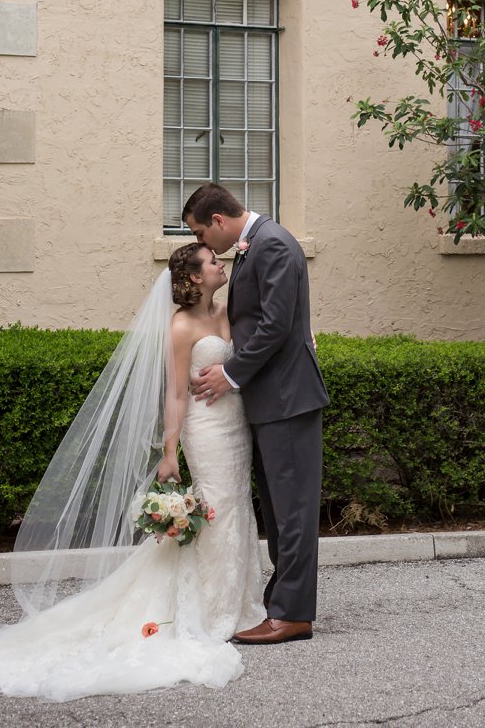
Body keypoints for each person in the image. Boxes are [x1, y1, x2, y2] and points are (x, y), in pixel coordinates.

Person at [0, 244, 265, 699]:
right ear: (193, 277)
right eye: (212, 262)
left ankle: (241, 603)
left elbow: (255, 349)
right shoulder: (181, 326)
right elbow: (176, 394)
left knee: (236, 506)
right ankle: (214, 610)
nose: (221, 265)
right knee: (216, 508)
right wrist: (169, 452)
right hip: (204, 430)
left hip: (235, 424)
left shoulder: (227, 311)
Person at [183, 183, 329, 646]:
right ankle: (279, 602)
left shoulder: (274, 245)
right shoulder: (253, 247)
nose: (205, 245)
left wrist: (229, 373)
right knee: (280, 509)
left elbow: (276, 324)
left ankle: (293, 615)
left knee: (295, 512)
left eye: (202, 234)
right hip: (271, 400)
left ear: (220, 222)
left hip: (288, 399)